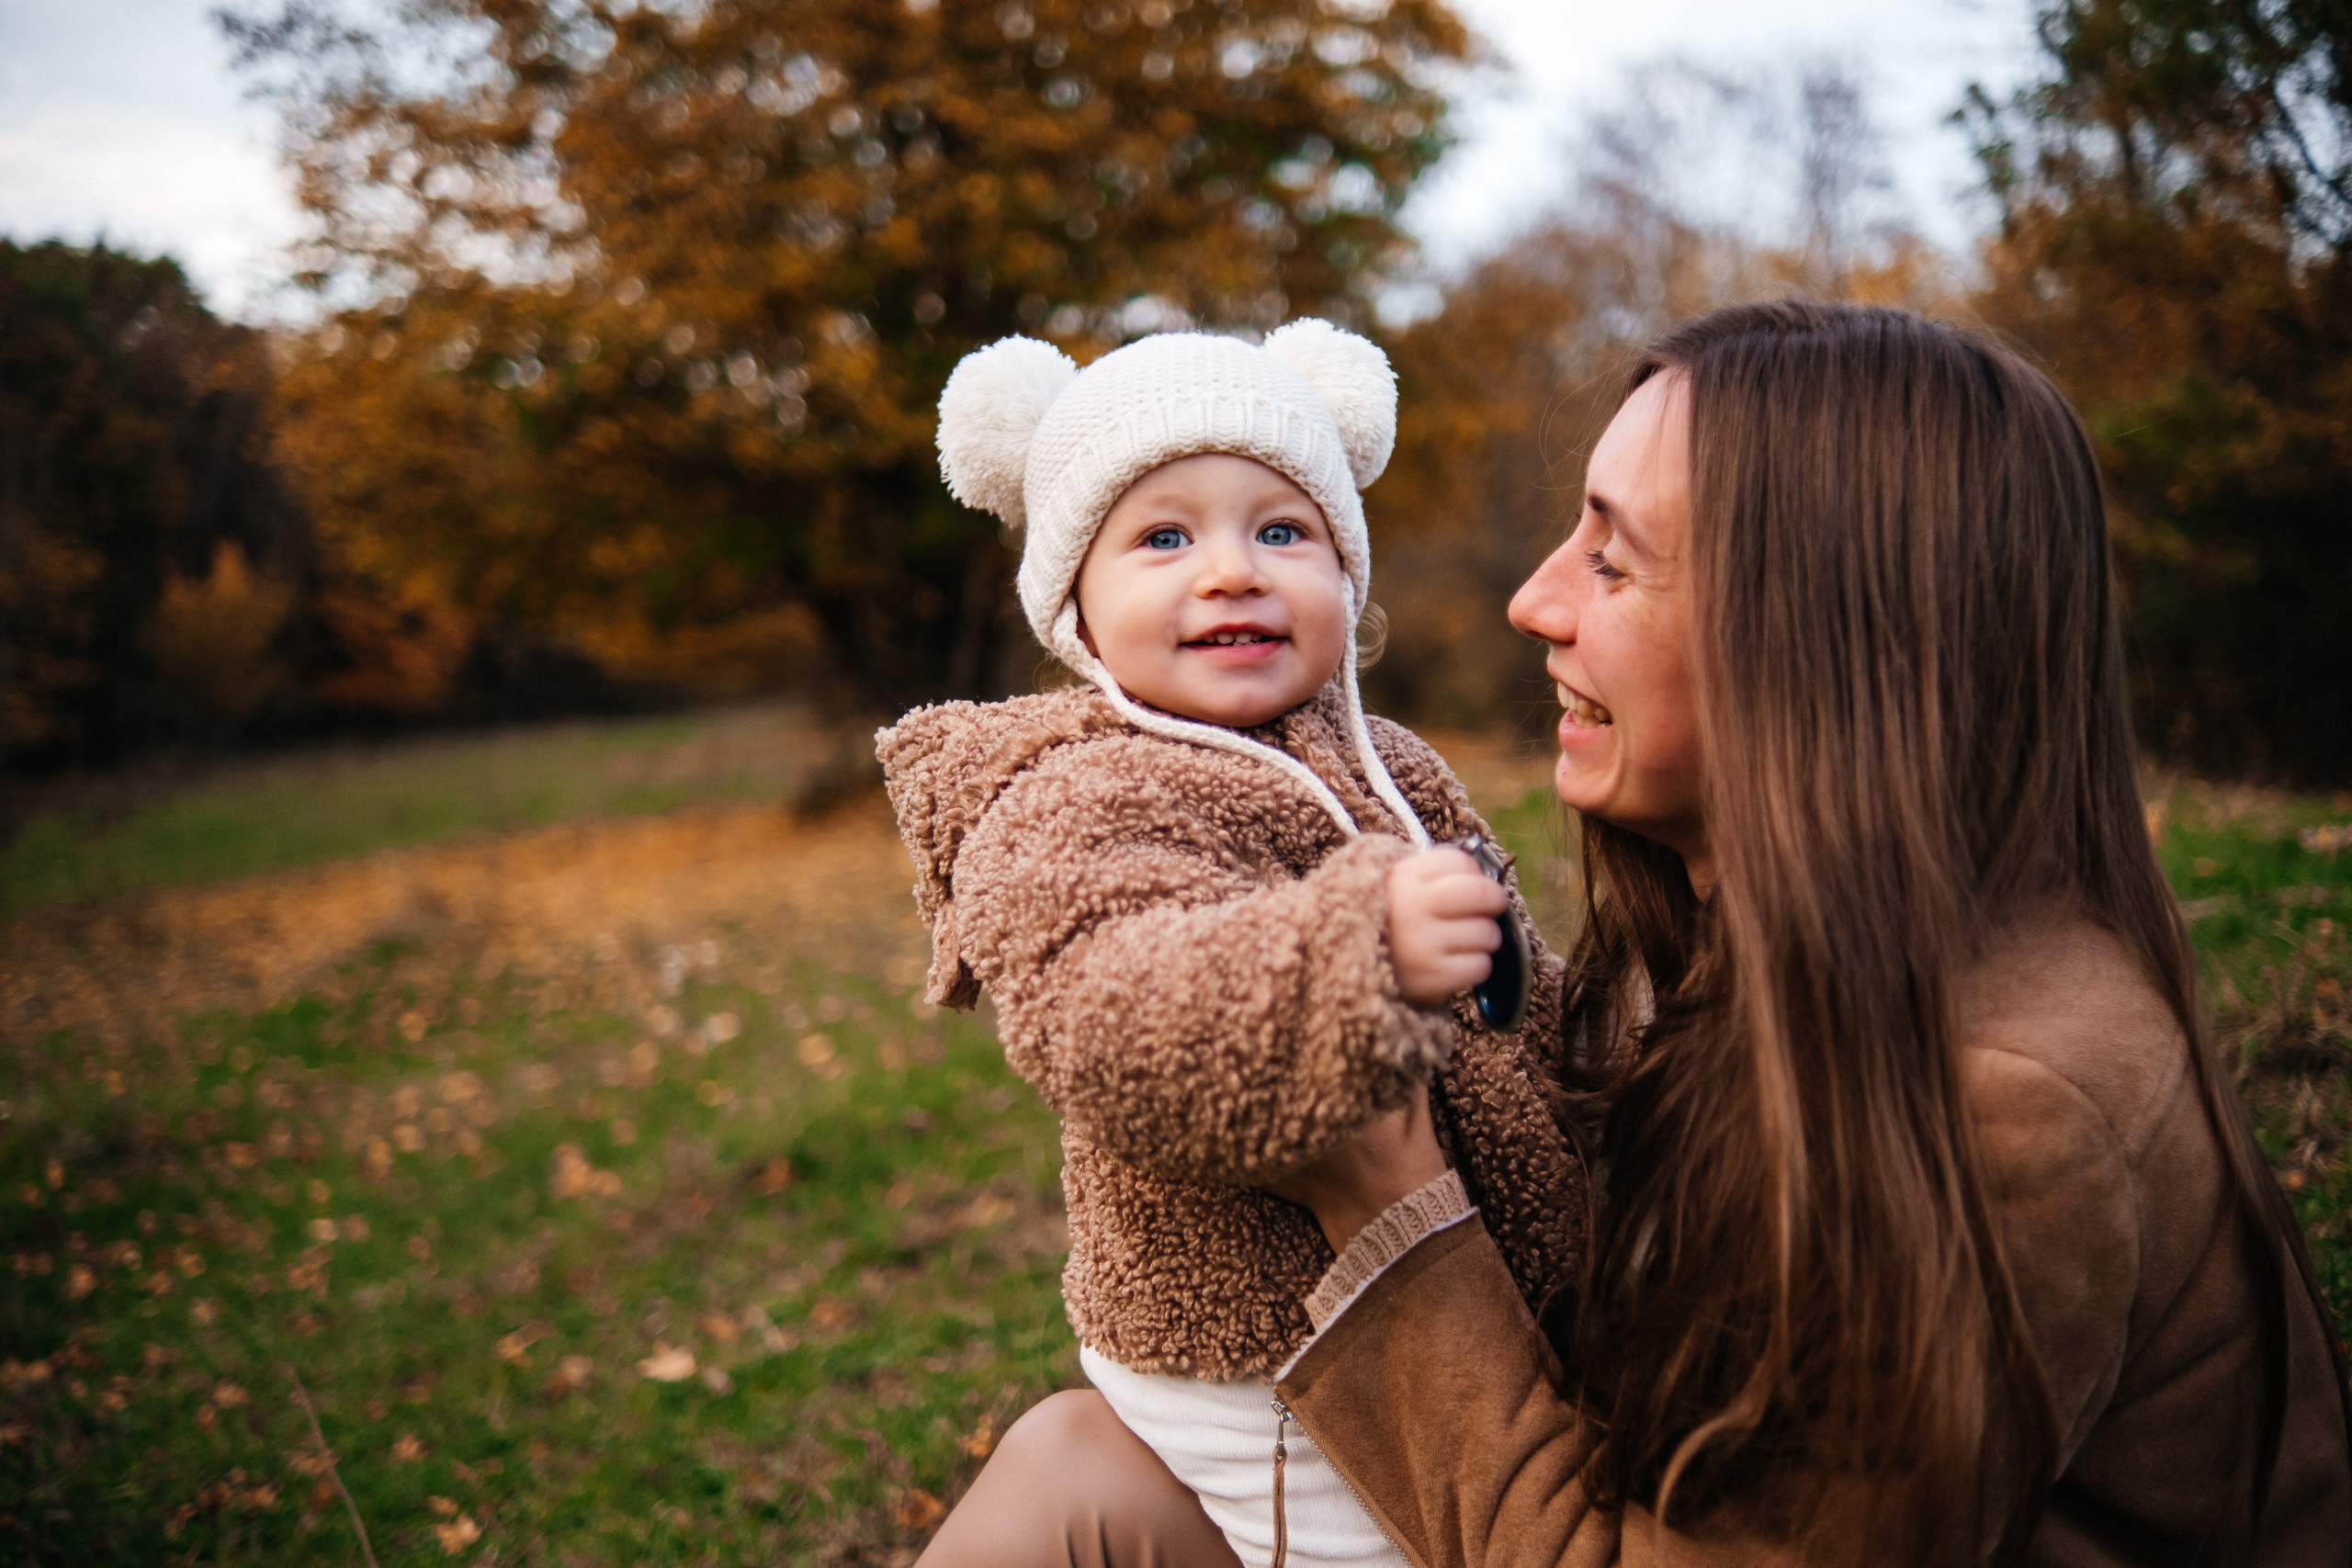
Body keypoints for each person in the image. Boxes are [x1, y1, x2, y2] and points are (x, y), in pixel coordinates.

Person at [934, 301, 2352, 1565]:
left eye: (1612, 565)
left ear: (1822, 643)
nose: (1531, 601)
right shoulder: (1803, 943)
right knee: (1068, 1469)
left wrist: (1377, 1191)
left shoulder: (1999, 1114)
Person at [876, 321, 1588, 1568]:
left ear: (1346, 570)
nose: (1231, 572)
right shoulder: (1070, 797)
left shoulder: (1396, 766)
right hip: (1270, 1364)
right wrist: (1356, 950)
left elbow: (1524, 1001)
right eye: (1163, 535)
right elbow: (1115, 1015)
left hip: (1468, 1312)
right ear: (1073, 601)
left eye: (1281, 529)